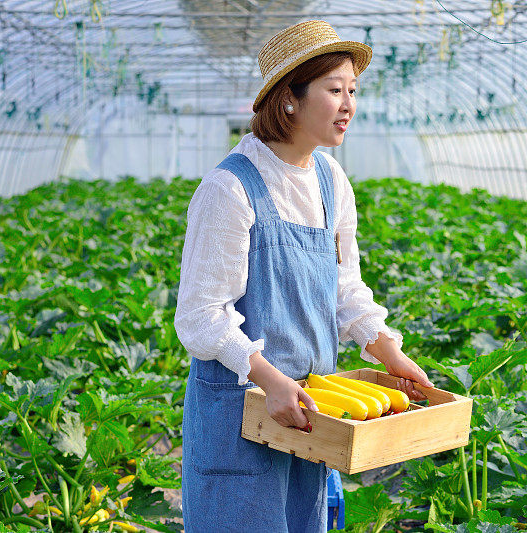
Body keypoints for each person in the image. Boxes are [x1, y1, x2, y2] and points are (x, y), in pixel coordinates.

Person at [174, 20, 434, 532]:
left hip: (311, 409)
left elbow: (345, 287)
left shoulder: (331, 181)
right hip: (242, 411)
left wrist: (389, 352)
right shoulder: (229, 189)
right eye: (334, 90)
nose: (348, 105)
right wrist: (269, 379)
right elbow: (201, 316)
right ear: (289, 100)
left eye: (352, 91)